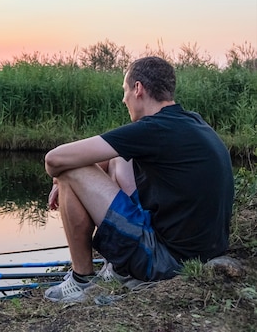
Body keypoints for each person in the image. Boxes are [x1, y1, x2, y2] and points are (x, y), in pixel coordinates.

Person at [43, 56, 234, 302]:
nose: (124, 99)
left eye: (125, 91)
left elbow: (53, 160)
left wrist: (61, 179)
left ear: (138, 88)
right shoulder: (190, 121)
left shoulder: (152, 130)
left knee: (70, 171)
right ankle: (113, 269)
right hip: (200, 251)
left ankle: (81, 280)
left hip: (167, 262)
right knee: (118, 158)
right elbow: (110, 157)